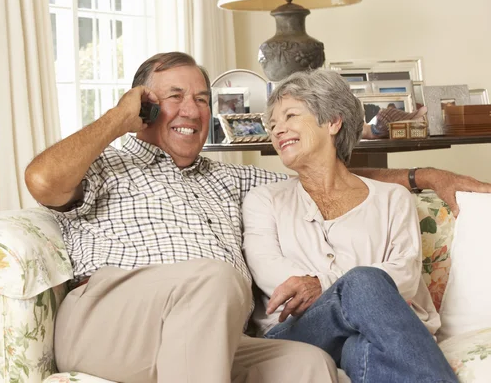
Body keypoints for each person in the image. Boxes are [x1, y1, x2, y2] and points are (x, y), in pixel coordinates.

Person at [24, 51, 490, 382]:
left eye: (203, 98)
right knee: (216, 277)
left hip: (210, 337)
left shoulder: (235, 182)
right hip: (114, 325)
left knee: (308, 366)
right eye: (174, 96)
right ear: (142, 105)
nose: (192, 109)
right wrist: (116, 119)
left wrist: (424, 174)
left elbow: (324, 171)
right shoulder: (106, 165)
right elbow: (42, 181)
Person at [242, 69, 458, 382]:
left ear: (333, 121)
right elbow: (273, 276)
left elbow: (405, 276)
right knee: (365, 281)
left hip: (376, 334)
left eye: (290, 115)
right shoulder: (264, 200)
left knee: (361, 348)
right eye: (272, 124)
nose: (278, 130)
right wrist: (348, 286)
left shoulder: (392, 198)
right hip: (298, 334)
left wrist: (323, 283)